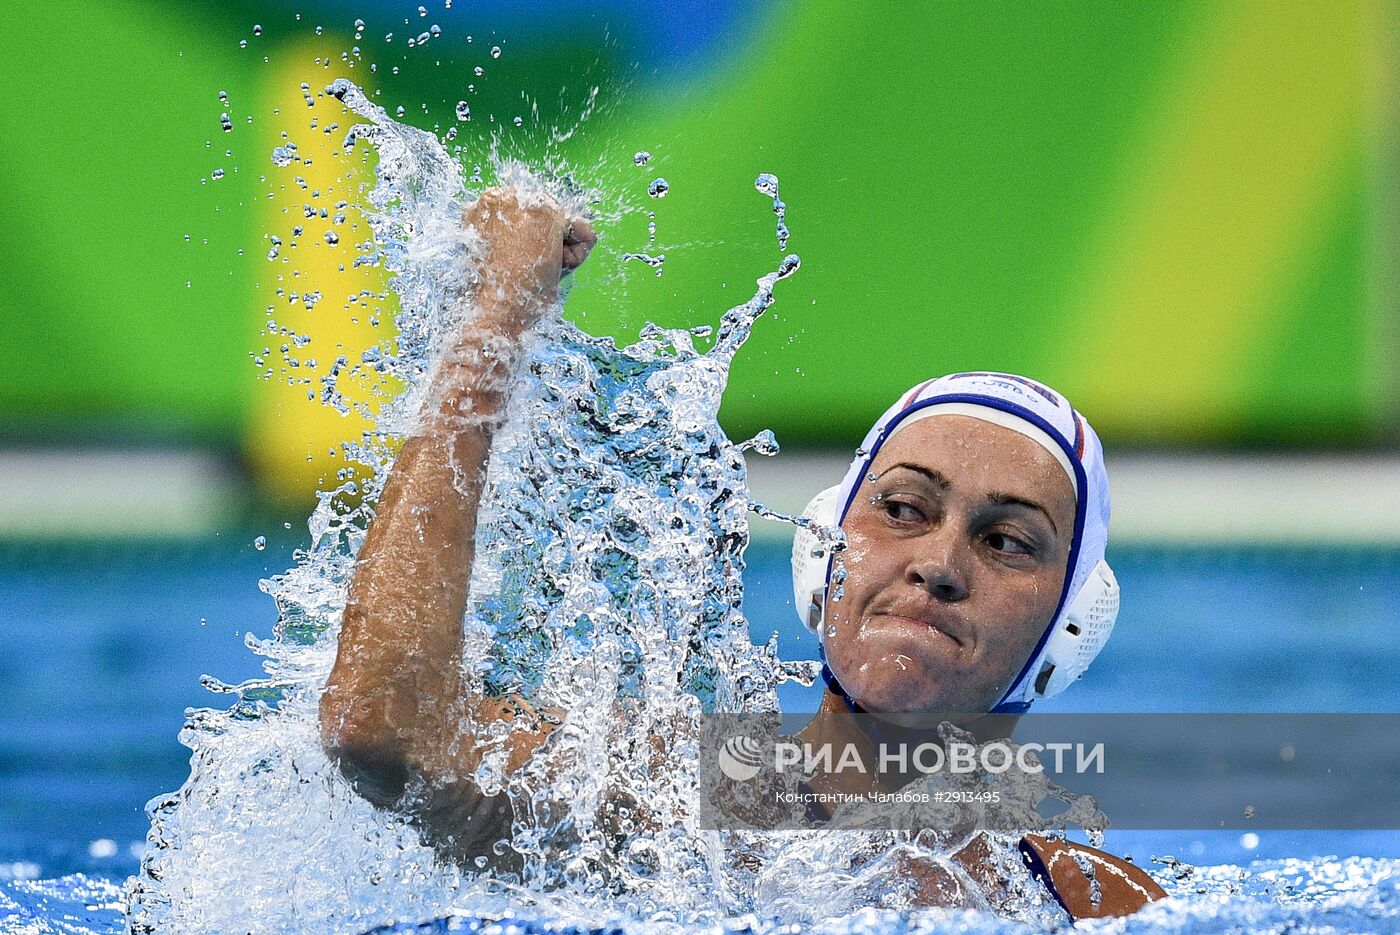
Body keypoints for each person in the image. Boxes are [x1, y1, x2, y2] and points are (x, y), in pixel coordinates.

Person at [319, 188, 1165, 919]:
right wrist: (493, 323)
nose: (941, 562)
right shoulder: (668, 801)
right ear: (821, 555)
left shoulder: (1100, 906)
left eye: (1007, 541)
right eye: (903, 507)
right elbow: (383, 732)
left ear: (1070, 629)